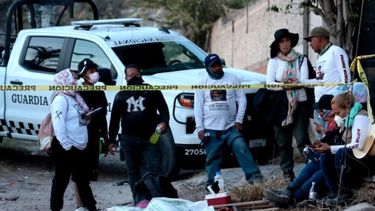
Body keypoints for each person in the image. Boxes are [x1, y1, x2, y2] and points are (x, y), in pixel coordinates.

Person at [194, 53, 262, 188]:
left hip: (231, 128)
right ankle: (213, 187)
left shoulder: (233, 78)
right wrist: (200, 127)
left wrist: (239, 119)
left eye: (219, 65)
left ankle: (256, 179)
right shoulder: (202, 83)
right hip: (211, 130)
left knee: (241, 146)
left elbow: (242, 99)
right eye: (214, 66)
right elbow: (198, 106)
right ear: (207, 68)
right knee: (212, 159)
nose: (218, 68)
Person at [108, 64, 169, 202]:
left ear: (141, 74)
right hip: (129, 140)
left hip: (150, 139)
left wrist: (164, 122)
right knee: (133, 172)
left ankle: (159, 200)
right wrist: (111, 140)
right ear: (126, 78)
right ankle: (139, 201)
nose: (134, 77)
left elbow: (164, 110)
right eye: (131, 75)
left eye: (136, 74)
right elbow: (114, 120)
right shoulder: (121, 95)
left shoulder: (152, 91)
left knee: (155, 169)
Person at [263, 95, 337, 206]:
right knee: (310, 167)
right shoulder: (333, 124)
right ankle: (288, 191)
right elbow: (330, 138)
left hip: (335, 163)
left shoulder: (344, 122)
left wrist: (328, 147)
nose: (320, 114)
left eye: (321, 110)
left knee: (316, 176)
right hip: (327, 160)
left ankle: (292, 200)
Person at [313, 92, 375, 206]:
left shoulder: (360, 117)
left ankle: (345, 193)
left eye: (338, 112)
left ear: (347, 105)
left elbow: (357, 146)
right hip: (355, 158)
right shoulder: (348, 119)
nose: (338, 116)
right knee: (325, 156)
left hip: (367, 160)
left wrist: (331, 148)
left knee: (342, 153)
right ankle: (334, 191)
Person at [266, 28, 311, 182]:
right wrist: (284, 86)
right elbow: (269, 84)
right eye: (282, 41)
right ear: (277, 45)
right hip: (280, 107)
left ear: (291, 42)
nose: (285, 44)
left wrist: (292, 84)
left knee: (302, 139)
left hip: (300, 103)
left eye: (287, 40)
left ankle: (313, 168)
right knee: (283, 142)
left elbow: (304, 81)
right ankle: (288, 174)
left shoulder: (301, 59)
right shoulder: (273, 61)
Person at [49, 69, 97, 211]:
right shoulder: (60, 99)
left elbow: (78, 121)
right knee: (60, 181)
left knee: (82, 181)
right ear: (65, 81)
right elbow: (59, 125)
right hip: (67, 148)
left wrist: (87, 117)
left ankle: (92, 208)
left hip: (79, 147)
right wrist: (66, 146)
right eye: (73, 79)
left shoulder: (75, 97)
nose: (76, 82)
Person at [303, 26, 351, 141]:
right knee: (321, 140)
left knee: (331, 139)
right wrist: (299, 82)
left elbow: (346, 77)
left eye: (311, 40)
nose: (310, 44)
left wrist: (344, 101)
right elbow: (320, 81)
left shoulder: (336, 51)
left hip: (333, 106)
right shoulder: (321, 57)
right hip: (319, 106)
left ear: (320, 39)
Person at [73, 59, 109, 210]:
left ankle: (85, 205)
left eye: (95, 70)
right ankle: (80, 205)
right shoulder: (77, 92)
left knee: (88, 173)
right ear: (83, 75)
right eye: (91, 71)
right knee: (78, 174)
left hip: (94, 137)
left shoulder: (99, 91)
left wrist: (106, 139)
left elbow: (103, 116)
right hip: (80, 137)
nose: (95, 74)